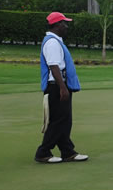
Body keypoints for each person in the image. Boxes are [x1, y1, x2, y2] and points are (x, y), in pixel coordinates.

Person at [34, 12, 89, 164]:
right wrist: (63, 88)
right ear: (57, 25)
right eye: (64, 23)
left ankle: (67, 151)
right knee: (59, 121)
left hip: (59, 85)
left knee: (65, 120)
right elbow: (54, 66)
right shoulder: (52, 43)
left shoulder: (56, 41)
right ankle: (43, 152)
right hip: (56, 86)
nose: (66, 26)